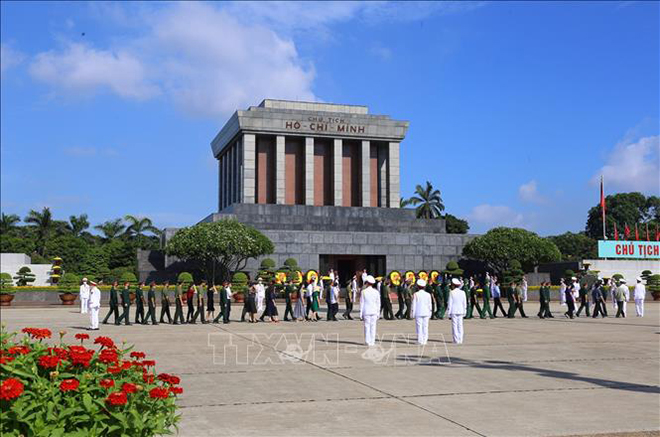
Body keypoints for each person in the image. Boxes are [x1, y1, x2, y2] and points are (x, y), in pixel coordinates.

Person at [360, 275, 380, 346]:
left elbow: (362, 303)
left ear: (367, 283)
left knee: (366, 326)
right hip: (374, 311)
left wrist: (361, 313)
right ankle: (372, 341)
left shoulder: (363, 292)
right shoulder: (376, 292)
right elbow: (378, 303)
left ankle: (367, 341)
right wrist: (378, 313)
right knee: (373, 327)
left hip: (366, 311)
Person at [446, 278, 467, 344]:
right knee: (460, 325)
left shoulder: (452, 292)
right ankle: (460, 339)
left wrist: (448, 313)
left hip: (454, 311)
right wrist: (464, 311)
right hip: (461, 311)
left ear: (453, 285)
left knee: (454, 326)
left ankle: (456, 340)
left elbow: (450, 303)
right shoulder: (463, 292)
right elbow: (464, 303)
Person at [411, 279, 432, 345]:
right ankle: (425, 340)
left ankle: (420, 340)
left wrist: (413, 314)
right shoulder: (428, 294)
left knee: (419, 327)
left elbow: (414, 305)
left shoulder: (416, 294)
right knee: (425, 327)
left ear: (418, 286)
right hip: (426, 312)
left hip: (418, 312)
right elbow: (429, 304)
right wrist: (430, 313)